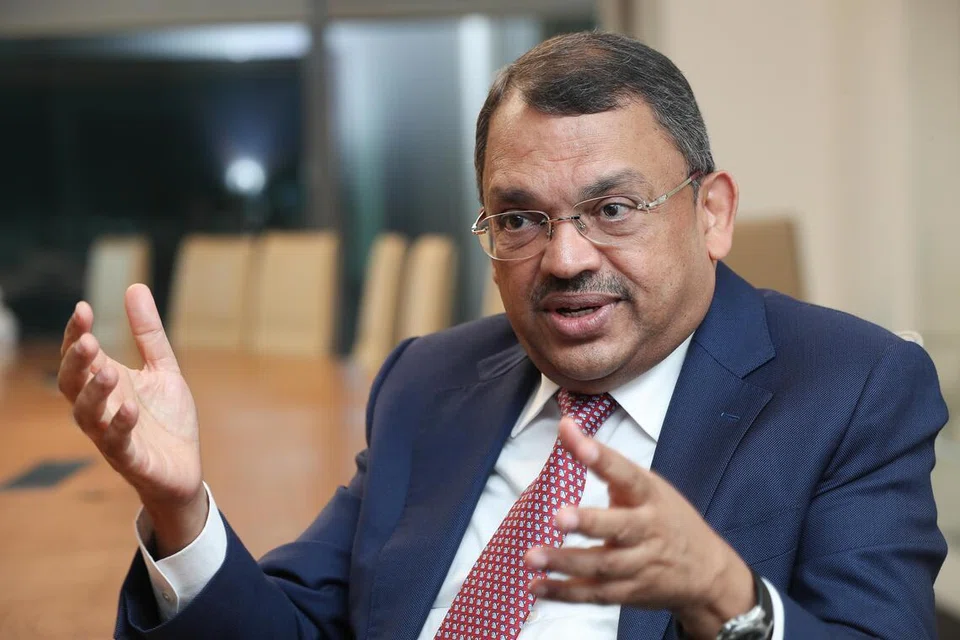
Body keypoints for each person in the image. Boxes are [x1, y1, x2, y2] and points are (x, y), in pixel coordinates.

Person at [58, 32, 947, 640]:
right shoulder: (430, 381)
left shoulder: (853, 386)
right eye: (519, 219)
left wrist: (724, 594)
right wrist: (180, 510)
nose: (565, 258)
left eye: (613, 208)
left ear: (711, 213)